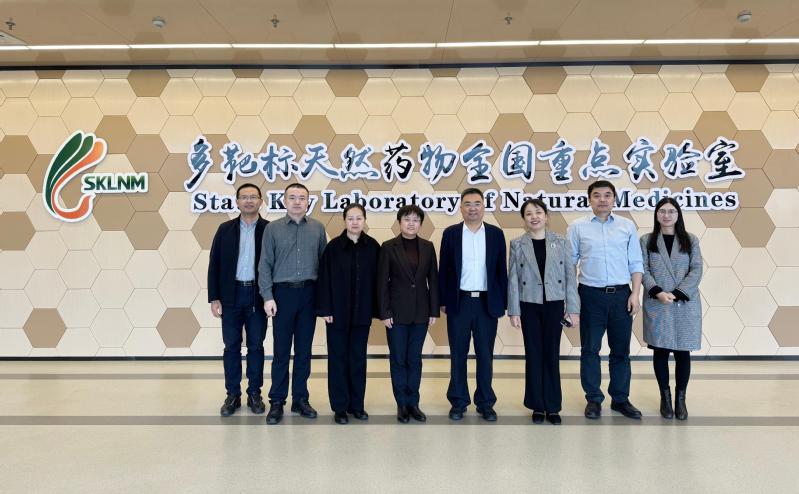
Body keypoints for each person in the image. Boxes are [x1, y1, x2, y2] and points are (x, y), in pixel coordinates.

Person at [567, 180, 644, 420]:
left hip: (622, 296)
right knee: (590, 350)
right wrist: (571, 301)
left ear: (614, 199)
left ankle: (620, 399)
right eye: (597, 195)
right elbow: (570, 264)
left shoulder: (627, 226)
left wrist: (635, 293)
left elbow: (636, 262)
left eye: (607, 195)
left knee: (620, 351)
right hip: (590, 295)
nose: (602, 199)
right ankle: (593, 399)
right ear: (589, 199)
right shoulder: (577, 227)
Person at [258, 183, 327, 425]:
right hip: (282, 296)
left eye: (302, 198)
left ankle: (300, 399)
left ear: (308, 202)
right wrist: (267, 296)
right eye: (292, 197)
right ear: (284, 201)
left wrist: (324, 300)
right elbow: (265, 264)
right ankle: (277, 401)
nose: (297, 202)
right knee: (281, 352)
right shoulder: (273, 229)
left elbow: (324, 265)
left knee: (304, 352)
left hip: (309, 294)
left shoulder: (317, 228)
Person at [508, 199, 580, 425]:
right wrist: (514, 310)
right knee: (533, 354)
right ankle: (537, 406)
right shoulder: (517, 244)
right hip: (528, 304)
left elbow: (570, 276)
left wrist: (573, 308)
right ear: (524, 219)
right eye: (529, 213)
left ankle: (553, 406)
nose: (534, 217)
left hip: (554, 303)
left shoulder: (561, 241)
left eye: (538, 212)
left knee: (551, 353)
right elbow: (513, 279)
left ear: (546, 216)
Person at [438, 188, 507, 422]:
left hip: (487, 303)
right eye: (467, 204)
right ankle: (458, 402)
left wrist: (503, 301)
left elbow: (501, 271)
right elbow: (444, 270)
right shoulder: (451, 234)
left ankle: (485, 402)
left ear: (484, 206)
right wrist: (443, 300)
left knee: (485, 355)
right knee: (458, 353)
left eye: (477, 203)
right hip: (459, 302)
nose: (473, 208)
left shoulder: (496, 234)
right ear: (461, 208)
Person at [316, 203, 381, 424]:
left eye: (359, 218)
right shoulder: (333, 247)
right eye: (351, 218)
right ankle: (340, 408)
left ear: (364, 220)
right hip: (337, 314)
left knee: (358, 359)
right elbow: (324, 279)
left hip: (362, 314)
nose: (355, 222)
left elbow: (379, 281)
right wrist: (325, 308)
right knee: (338, 359)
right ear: (344, 221)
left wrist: (377, 309)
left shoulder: (373, 247)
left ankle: (357, 406)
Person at [208, 183, 269, 417]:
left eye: (253, 197)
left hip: (257, 295)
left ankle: (254, 393)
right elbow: (214, 264)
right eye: (244, 197)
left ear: (261, 201)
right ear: (237, 202)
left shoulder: (269, 229)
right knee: (231, 346)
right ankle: (232, 394)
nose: (249, 201)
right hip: (230, 295)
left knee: (256, 346)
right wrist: (214, 297)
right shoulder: (225, 229)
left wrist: (270, 296)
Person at [641, 198, 703, 420]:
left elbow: (697, 269)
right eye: (662, 211)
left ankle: (680, 399)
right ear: (656, 214)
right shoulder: (647, 240)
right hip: (658, 302)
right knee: (660, 350)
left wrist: (677, 293)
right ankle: (665, 398)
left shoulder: (690, 240)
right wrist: (657, 291)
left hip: (684, 303)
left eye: (671, 211)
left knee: (682, 352)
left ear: (678, 215)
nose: (666, 215)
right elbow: (642, 269)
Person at [377, 205, 439, 423]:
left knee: (414, 359)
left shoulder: (428, 247)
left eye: (415, 220)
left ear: (420, 223)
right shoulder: (388, 247)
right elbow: (382, 282)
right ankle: (401, 404)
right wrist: (384, 312)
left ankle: (414, 403)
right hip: (395, 314)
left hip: (421, 312)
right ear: (399, 222)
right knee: (398, 359)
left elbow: (433, 280)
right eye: (407, 219)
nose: (411, 223)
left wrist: (433, 310)